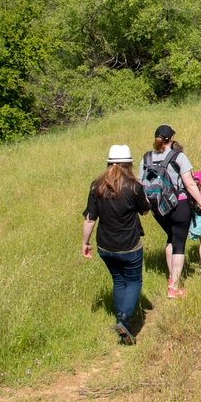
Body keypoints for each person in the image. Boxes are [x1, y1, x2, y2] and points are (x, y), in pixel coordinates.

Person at [82, 144, 151, 345]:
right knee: (134, 281)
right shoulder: (134, 186)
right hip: (129, 245)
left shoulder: (96, 186)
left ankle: (122, 318)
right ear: (129, 163)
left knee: (118, 281)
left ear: (109, 163)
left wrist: (85, 243)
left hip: (105, 246)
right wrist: (141, 191)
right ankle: (124, 319)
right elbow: (145, 210)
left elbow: (89, 219)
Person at [140, 125, 201, 299]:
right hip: (179, 205)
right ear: (172, 138)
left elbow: (141, 183)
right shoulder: (178, 156)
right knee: (179, 244)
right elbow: (189, 184)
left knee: (170, 238)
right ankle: (174, 287)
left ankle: (170, 277)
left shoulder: (147, 158)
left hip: (158, 208)